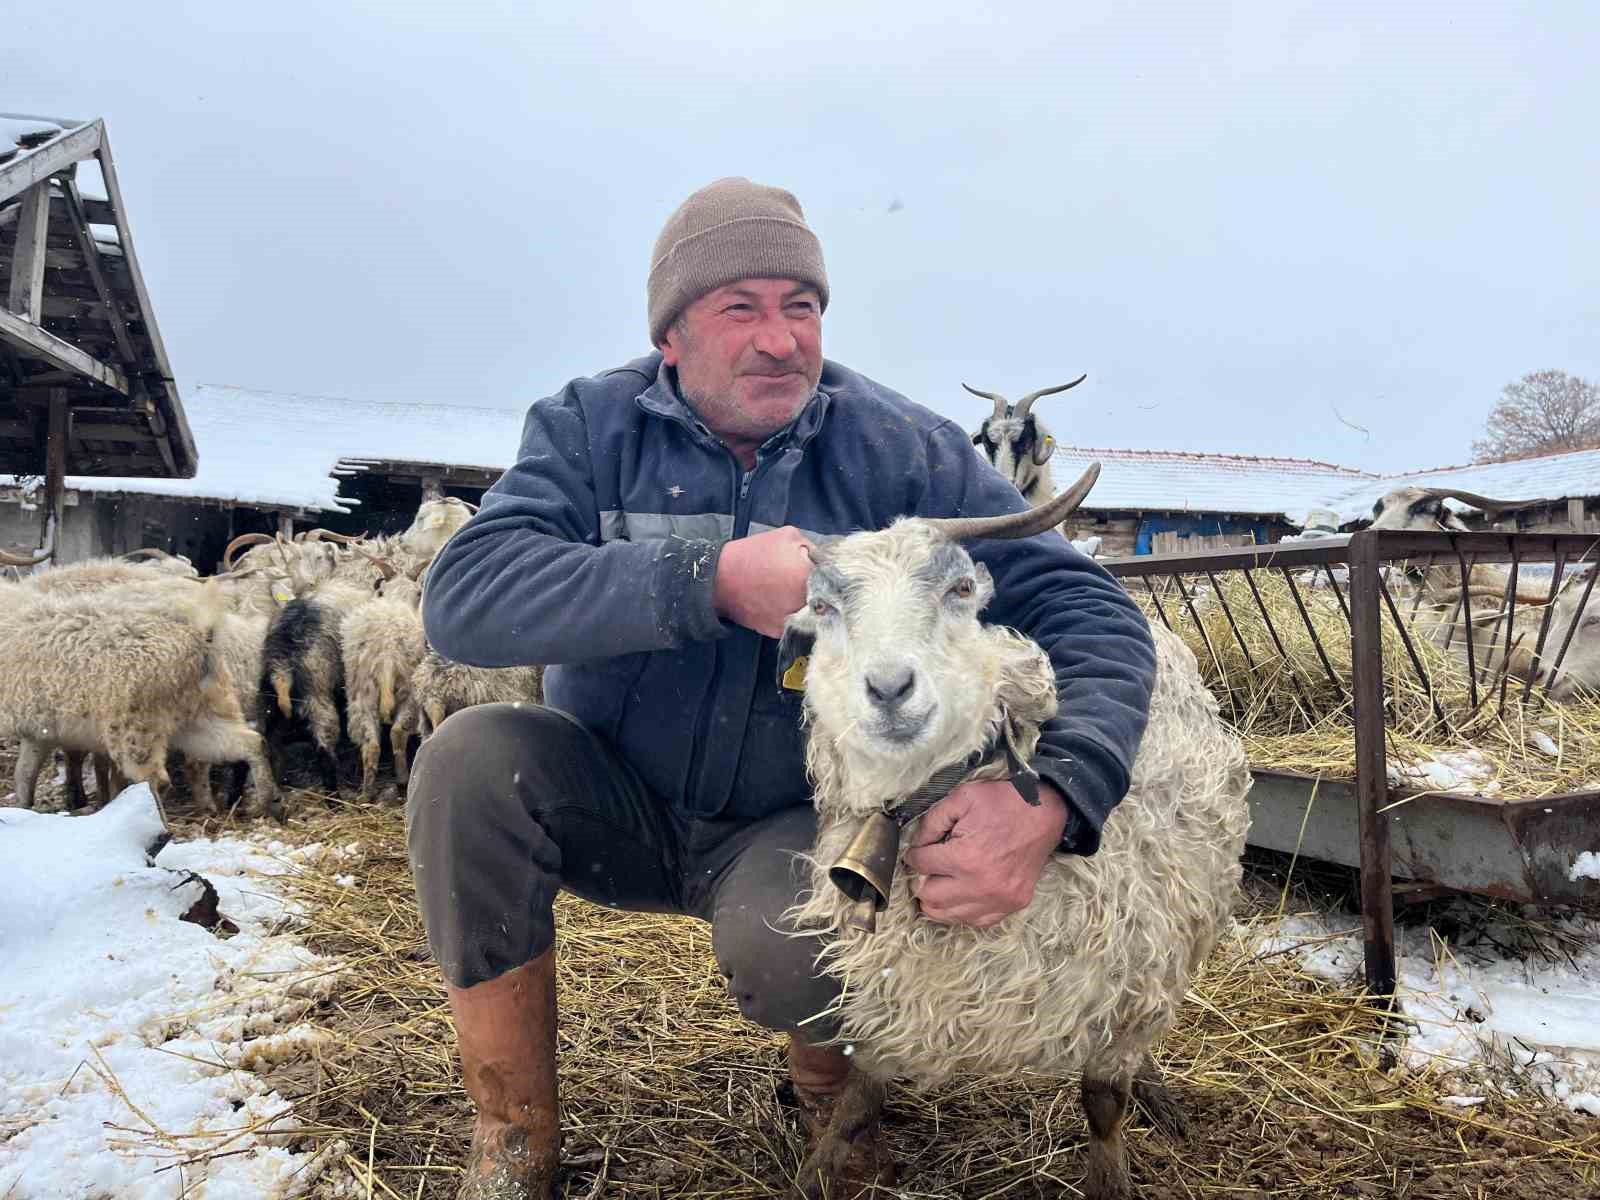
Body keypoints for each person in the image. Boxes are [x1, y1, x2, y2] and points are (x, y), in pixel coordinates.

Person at [407, 177, 1157, 1199]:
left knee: (799, 949)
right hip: (613, 793)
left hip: (792, 822)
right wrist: (704, 578)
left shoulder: (903, 452)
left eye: (800, 308)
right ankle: (512, 1140)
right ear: (672, 335)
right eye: (740, 309)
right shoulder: (590, 429)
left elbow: (1090, 610)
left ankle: (836, 1115)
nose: (779, 340)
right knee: (470, 763)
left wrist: (1058, 795)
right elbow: (467, 597)